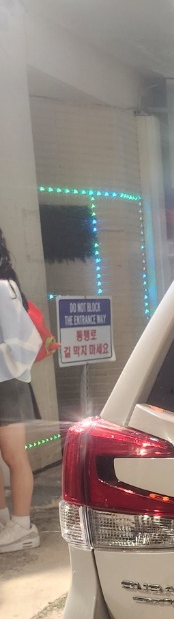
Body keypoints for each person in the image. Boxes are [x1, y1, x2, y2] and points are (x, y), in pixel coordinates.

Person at [0, 228, 41, 552]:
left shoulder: (4, 288)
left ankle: (22, 526)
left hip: (7, 383)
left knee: (14, 456)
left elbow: (24, 342)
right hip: (6, 381)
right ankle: (4, 520)